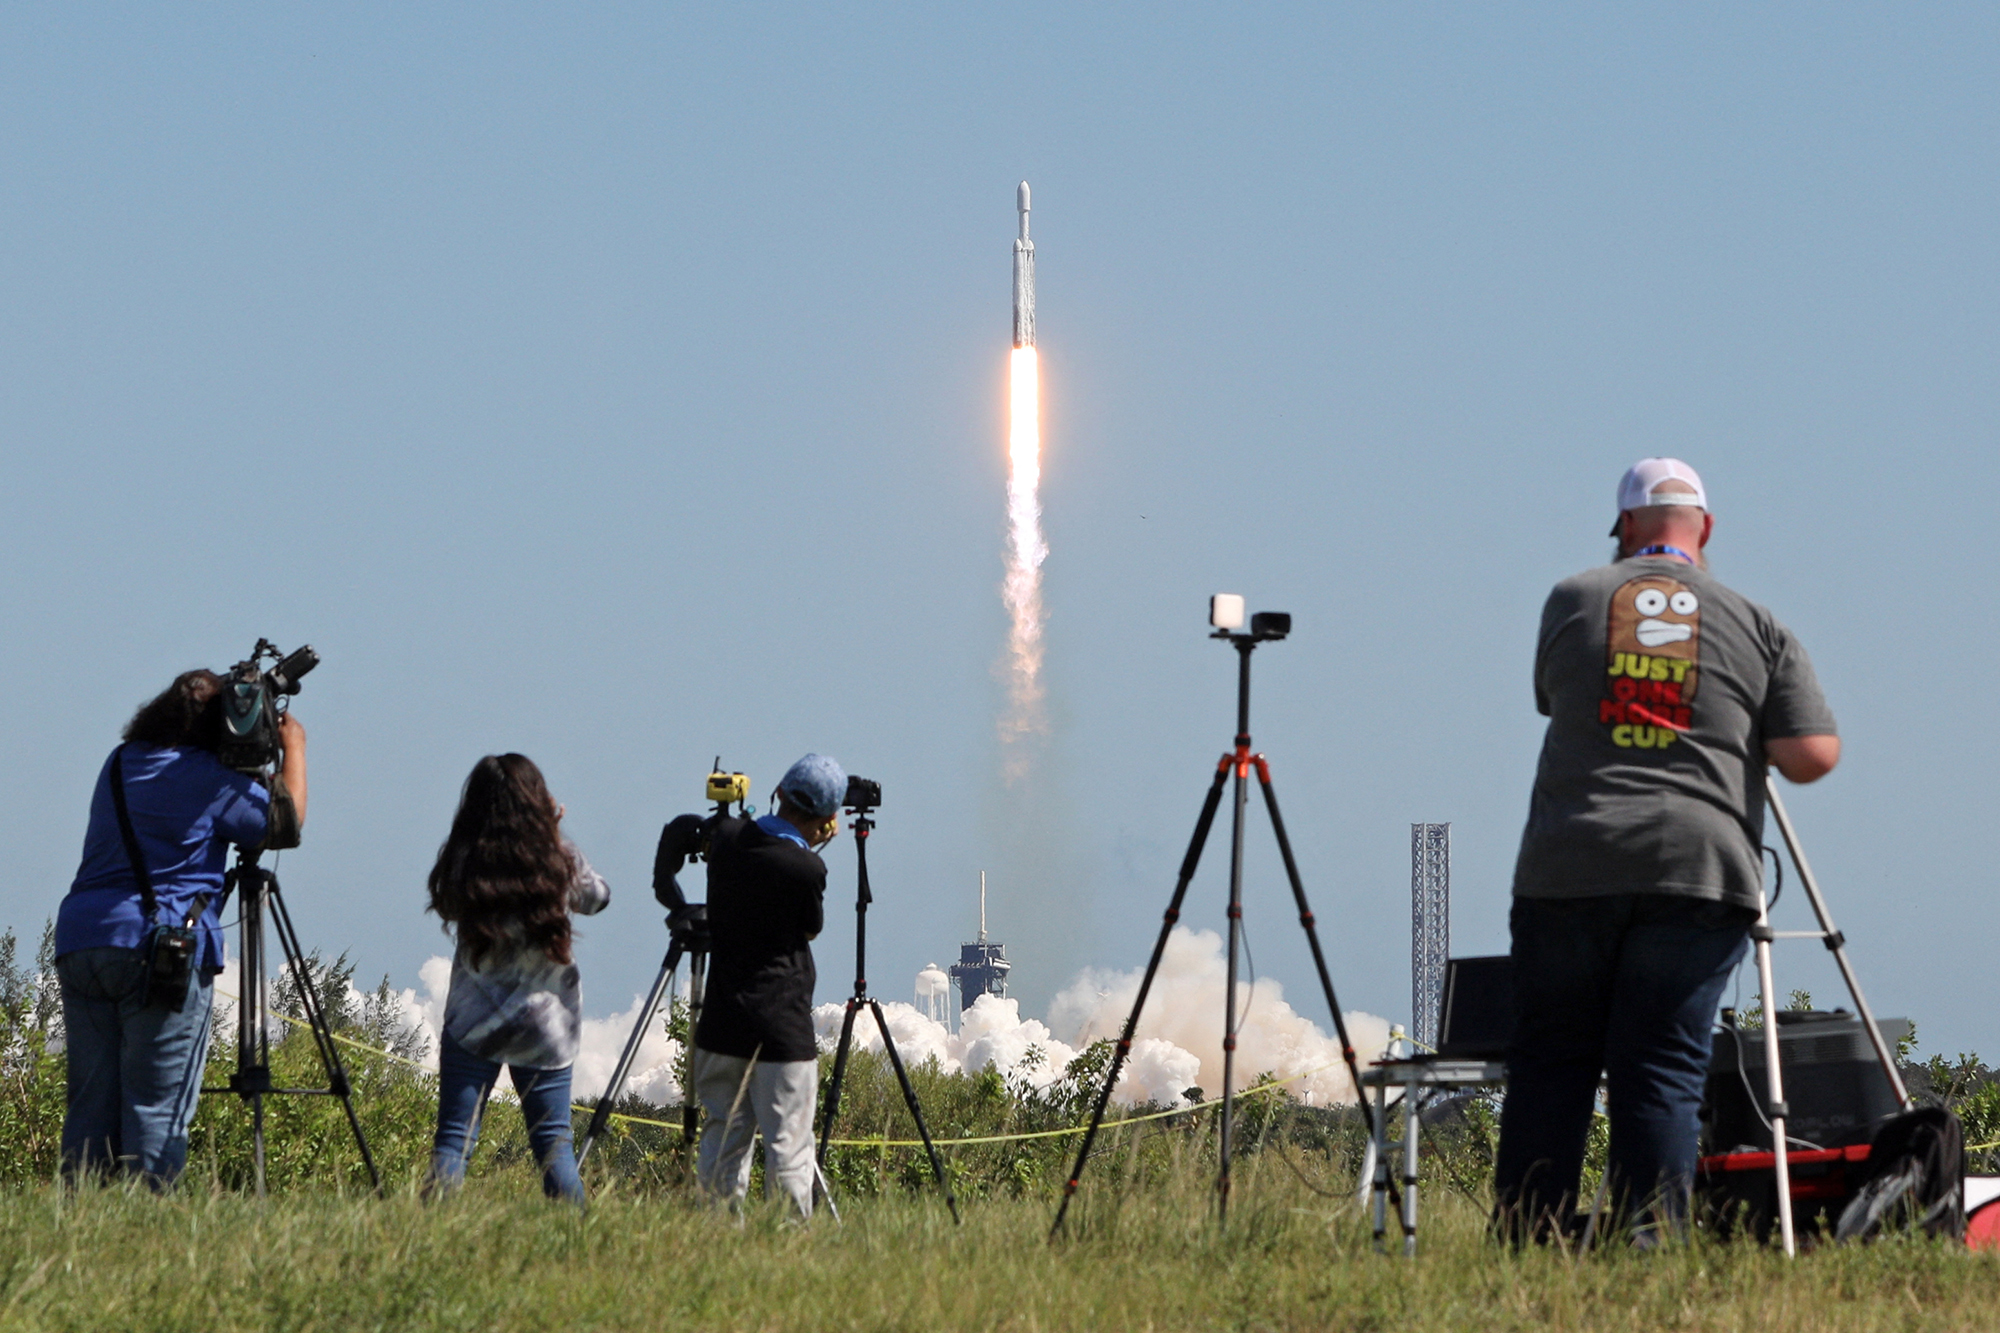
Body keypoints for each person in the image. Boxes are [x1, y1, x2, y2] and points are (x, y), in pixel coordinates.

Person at [1494, 458, 1841, 1243]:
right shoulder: (1756, 620)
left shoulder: (1573, 596)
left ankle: (1526, 1240)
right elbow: (1813, 754)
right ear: (1705, 528)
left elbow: (1552, 696)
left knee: (1554, 1064)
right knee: (1661, 1068)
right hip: (1699, 867)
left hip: (1571, 863)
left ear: (1624, 528)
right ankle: (1649, 1246)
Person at [56, 668, 307, 1186]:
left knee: (91, 1104)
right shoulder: (208, 778)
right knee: (155, 1105)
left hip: (84, 937)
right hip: (160, 950)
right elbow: (284, 825)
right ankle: (144, 1230)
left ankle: (77, 1230)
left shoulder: (120, 762)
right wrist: (294, 748)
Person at [660, 753, 842, 1218]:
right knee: (787, 1149)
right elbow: (808, 929)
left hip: (722, 1021)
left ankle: (718, 1239)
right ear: (826, 820)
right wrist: (814, 846)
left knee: (721, 1137)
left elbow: (707, 832)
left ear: (778, 793)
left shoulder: (727, 840)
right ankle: (788, 1249)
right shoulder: (807, 870)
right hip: (780, 1029)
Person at [424, 753, 609, 1205]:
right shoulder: (558, 859)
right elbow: (597, 898)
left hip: (474, 1022)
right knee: (553, 1149)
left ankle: (427, 1238)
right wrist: (553, 835)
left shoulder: (464, 859)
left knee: (454, 1142)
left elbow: (446, 904)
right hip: (545, 1028)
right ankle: (577, 1248)